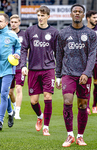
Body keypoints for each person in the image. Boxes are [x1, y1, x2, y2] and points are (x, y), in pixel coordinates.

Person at [56, 4, 97, 147]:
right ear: (71, 14)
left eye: (80, 11)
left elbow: (92, 56)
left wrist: (86, 73)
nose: (77, 13)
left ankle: (80, 136)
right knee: (67, 101)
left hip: (84, 75)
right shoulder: (63, 33)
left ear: (83, 15)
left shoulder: (91, 34)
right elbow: (59, 55)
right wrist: (58, 75)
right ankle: (70, 135)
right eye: (75, 11)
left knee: (82, 105)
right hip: (68, 73)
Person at [20, 6, 59, 136]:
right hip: (33, 69)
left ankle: (46, 127)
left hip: (49, 68)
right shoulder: (30, 31)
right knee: (33, 101)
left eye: (43, 15)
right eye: (38, 15)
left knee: (48, 97)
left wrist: (59, 72)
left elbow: (58, 53)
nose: (40, 18)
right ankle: (40, 116)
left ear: (48, 16)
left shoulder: (54, 32)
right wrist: (23, 65)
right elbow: (24, 49)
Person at [9, 14, 26, 119]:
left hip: (20, 66)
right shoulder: (7, 35)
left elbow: (27, 49)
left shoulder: (24, 35)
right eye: (12, 22)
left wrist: (25, 63)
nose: (13, 24)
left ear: (19, 23)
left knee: (19, 89)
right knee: (10, 92)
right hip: (9, 67)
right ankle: (15, 106)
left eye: (16, 22)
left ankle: (18, 113)